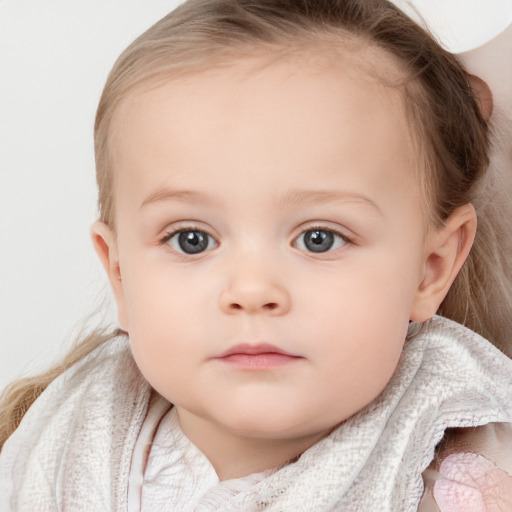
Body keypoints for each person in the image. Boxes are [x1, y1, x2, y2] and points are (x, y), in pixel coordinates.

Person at [1, 0, 511, 510]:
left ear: (432, 268)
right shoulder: (53, 442)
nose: (251, 290)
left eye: (319, 238)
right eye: (191, 239)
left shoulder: (467, 483)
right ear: (119, 275)